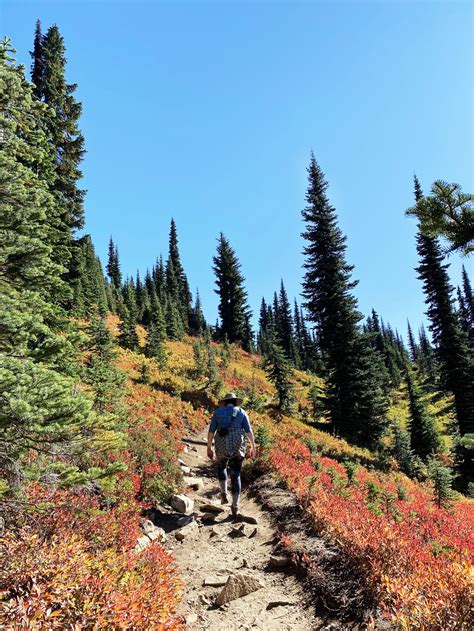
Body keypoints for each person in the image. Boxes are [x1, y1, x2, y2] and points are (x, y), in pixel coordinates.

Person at [207, 392, 257, 518]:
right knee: (236, 475)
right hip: (238, 446)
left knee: (221, 467)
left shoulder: (218, 412)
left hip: (221, 444)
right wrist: (253, 447)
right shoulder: (241, 412)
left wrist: (209, 447)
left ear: (224, 402)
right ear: (235, 402)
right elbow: (248, 431)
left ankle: (223, 493)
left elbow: (211, 431)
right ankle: (235, 506)